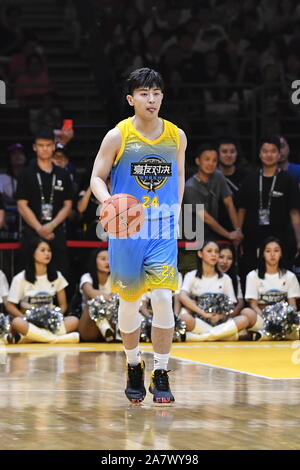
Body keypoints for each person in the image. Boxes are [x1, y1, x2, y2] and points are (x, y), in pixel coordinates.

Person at [90, 67, 187, 404]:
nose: (151, 99)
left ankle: (161, 372)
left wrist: (176, 217)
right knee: (129, 303)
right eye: (144, 93)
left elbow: (179, 180)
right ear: (131, 99)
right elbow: (97, 178)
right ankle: (134, 364)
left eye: (156, 92)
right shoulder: (118, 135)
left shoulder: (176, 136)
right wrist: (110, 203)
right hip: (126, 228)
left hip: (161, 226)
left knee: (162, 299)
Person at [236, 136, 300, 278]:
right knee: (252, 274)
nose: (269, 155)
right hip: (252, 238)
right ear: (259, 154)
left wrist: (298, 239)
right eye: (265, 151)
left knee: (282, 274)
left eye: (273, 151)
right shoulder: (250, 179)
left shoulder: (288, 180)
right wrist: (238, 233)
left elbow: (294, 213)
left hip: (281, 237)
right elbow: (241, 209)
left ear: (279, 154)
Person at [16, 129, 73, 278]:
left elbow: (68, 205)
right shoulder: (26, 173)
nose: (45, 149)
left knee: (60, 273)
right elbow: (22, 205)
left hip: (56, 231)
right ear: (35, 147)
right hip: (31, 232)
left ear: (54, 146)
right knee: (29, 274)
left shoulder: (63, 174)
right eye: (41, 145)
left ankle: (61, 302)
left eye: (48, 145)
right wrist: (39, 228)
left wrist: (51, 225)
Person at [181, 143, 243, 272]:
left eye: (214, 160)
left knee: (213, 273)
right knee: (192, 273)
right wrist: (229, 235)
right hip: (191, 238)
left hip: (211, 236)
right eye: (207, 159)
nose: (211, 163)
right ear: (198, 161)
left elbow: (229, 203)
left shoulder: (218, 176)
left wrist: (237, 231)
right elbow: (205, 217)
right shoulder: (189, 186)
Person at [5, 238, 79, 344]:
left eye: (49, 250)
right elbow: (10, 305)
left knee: (74, 320)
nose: (47, 253)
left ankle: (31, 337)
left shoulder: (57, 276)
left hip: (50, 321)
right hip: (28, 320)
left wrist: (54, 317)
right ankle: (56, 339)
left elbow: (63, 305)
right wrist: (24, 317)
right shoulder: (20, 278)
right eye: (43, 250)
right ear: (33, 253)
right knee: (17, 322)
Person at [179, 240, 249, 341]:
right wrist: (203, 313)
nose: (214, 255)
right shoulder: (191, 275)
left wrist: (220, 316)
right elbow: (182, 296)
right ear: (200, 253)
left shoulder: (225, 278)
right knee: (184, 318)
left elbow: (232, 304)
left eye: (216, 252)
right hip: (199, 320)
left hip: (221, 321)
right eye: (209, 251)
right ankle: (224, 335)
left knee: (244, 319)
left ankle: (203, 337)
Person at [245, 237, 300, 340]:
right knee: (247, 312)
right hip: (263, 318)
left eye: (276, 250)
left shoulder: (290, 276)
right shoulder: (252, 276)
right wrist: (269, 319)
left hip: (284, 319)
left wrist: (284, 319)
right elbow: (253, 305)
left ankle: (265, 335)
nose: (272, 254)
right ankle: (277, 333)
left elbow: (292, 305)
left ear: (281, 253)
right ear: (262, 254)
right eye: (268, 251)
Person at [79, 248, 116, 342]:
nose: (107, 262)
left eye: (110, 259)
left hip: (112, 321)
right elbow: (90, 292)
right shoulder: (87, 277)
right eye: (103, 259)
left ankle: (110, 331)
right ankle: (105, 328)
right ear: (94, 261)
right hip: (90, 323)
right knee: (96, 302)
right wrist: (108, 297)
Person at [217, 137, 250, 232]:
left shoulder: (246, 176)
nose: (229, 155)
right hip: (217, 228)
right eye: (224, 151)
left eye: (232, 151)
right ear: (217, 154)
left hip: (243, 227)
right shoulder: (211, 176)